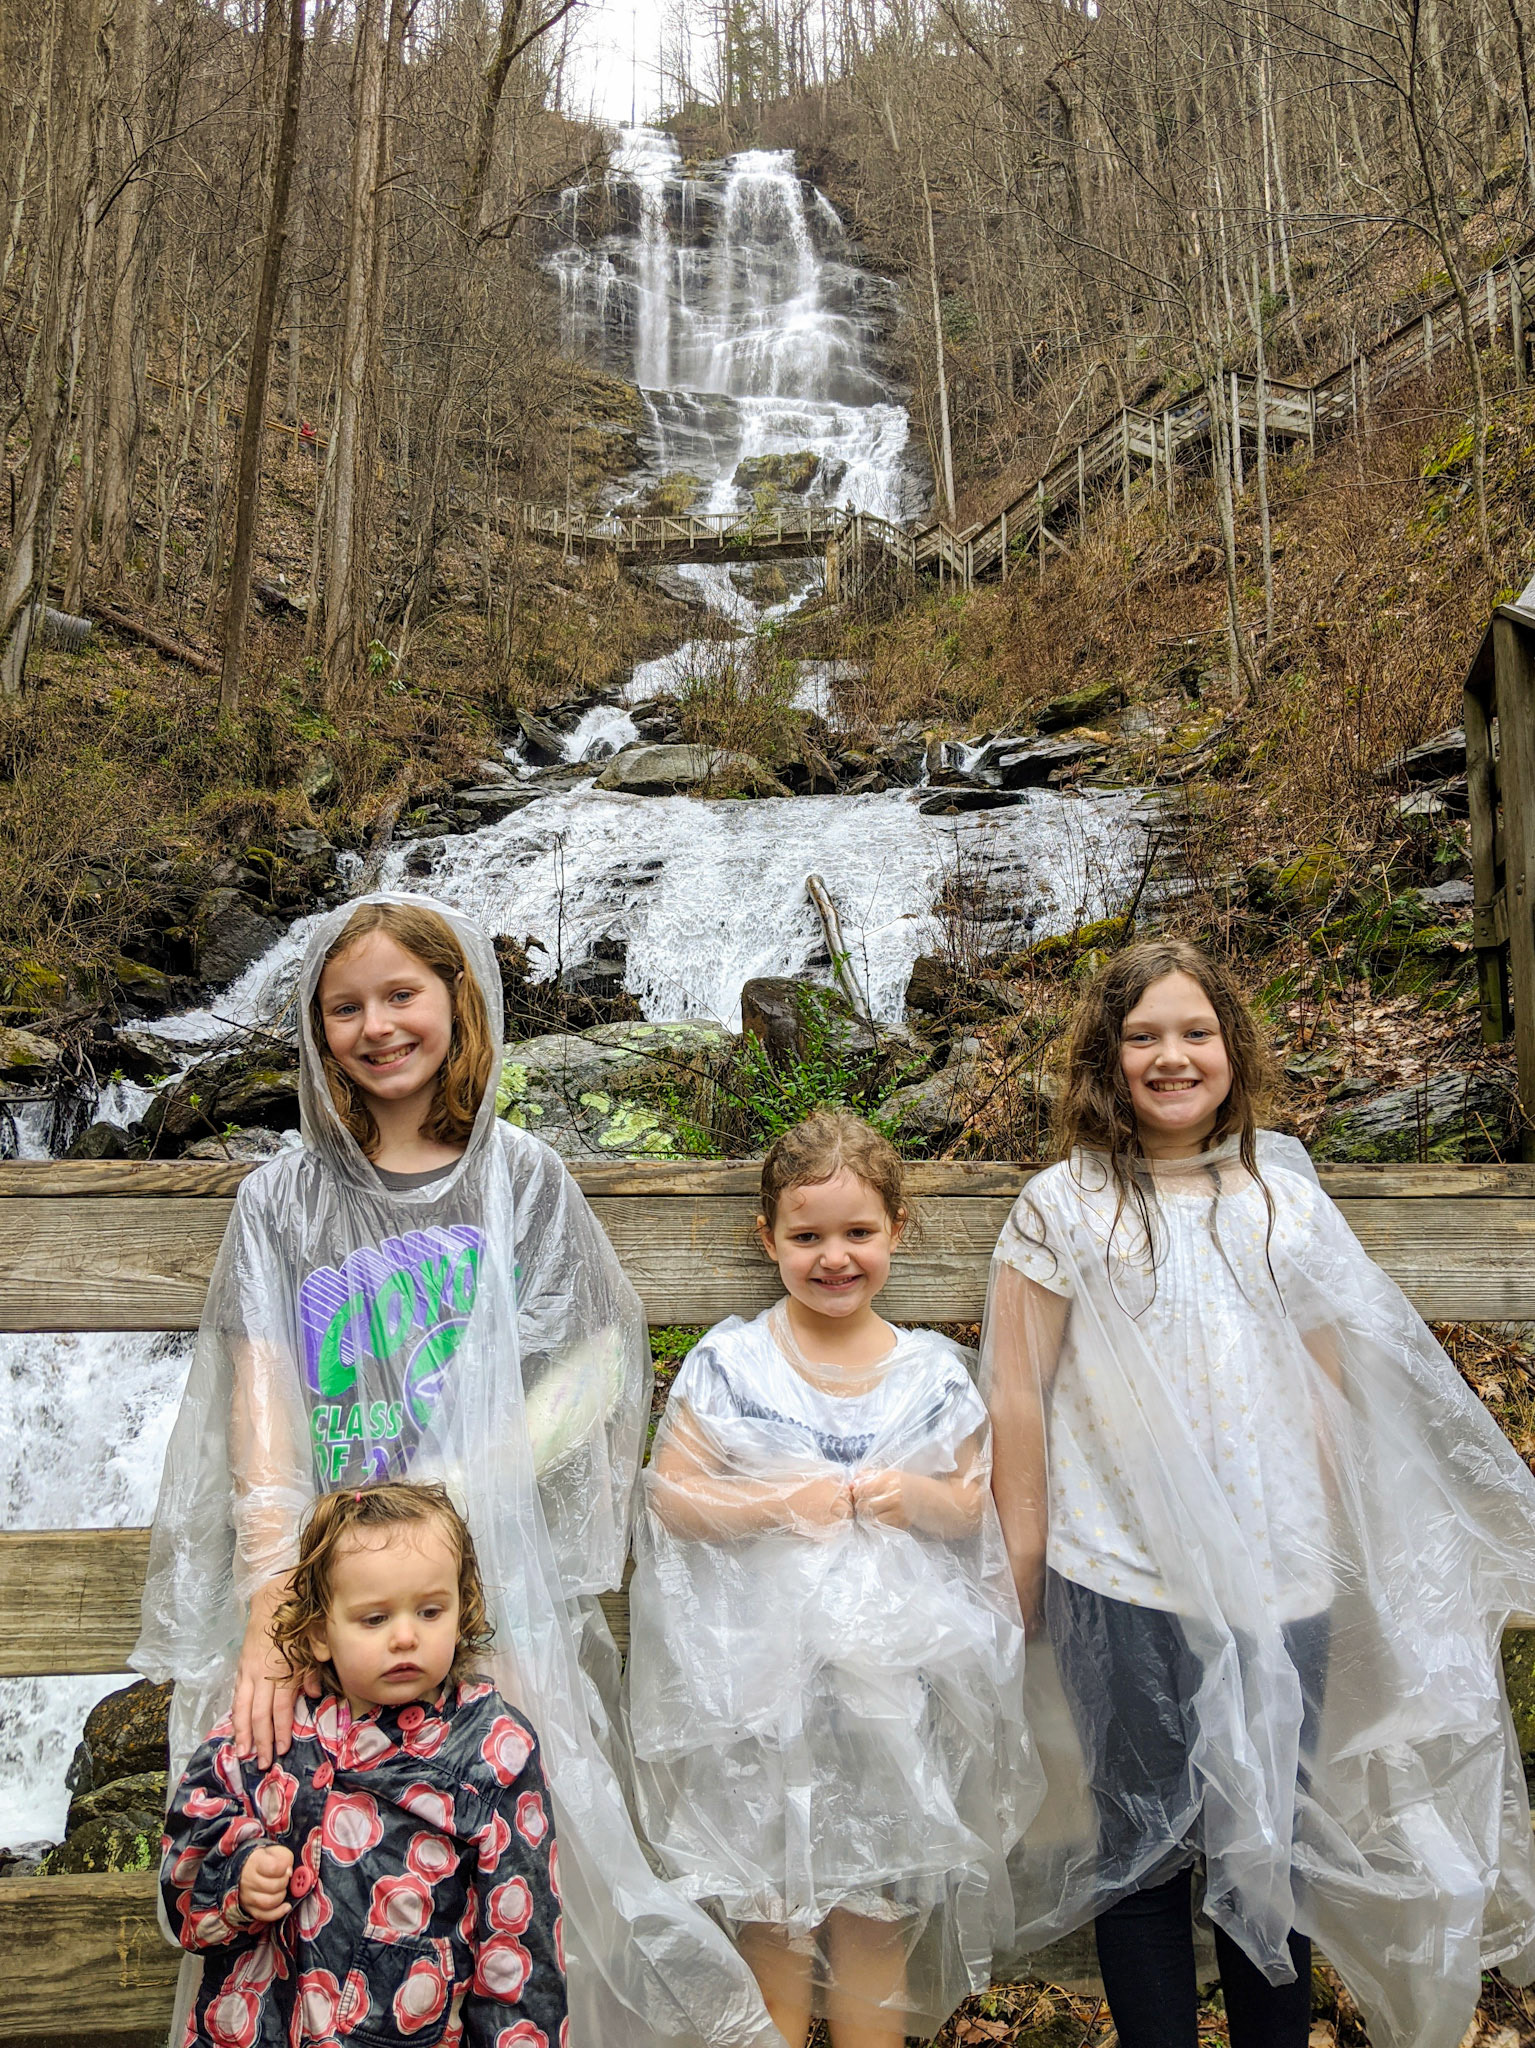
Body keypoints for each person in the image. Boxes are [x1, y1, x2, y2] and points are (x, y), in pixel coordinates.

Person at [136, 892, 778, 2048]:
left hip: (472, 1591)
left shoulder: (519, 1179)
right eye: (345, 1005)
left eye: (401, 994)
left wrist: (471, 1483)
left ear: (456, 999)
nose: (376, 1025)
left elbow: (591, 1358)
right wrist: (271, 1602)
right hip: (331, 1601)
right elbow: (263, 1402)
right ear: (311, 1024)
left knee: (513, 1860)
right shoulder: (281, 1198)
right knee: (299, 1845)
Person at [982, 938, 1535, 2048]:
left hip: (1280, 1579)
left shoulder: (1283, 1202)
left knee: (1266, 1838)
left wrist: (1335, 1542)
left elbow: (1331, 1385)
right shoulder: (1060, 1205)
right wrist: (1025, 1557)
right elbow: (1016, 1393)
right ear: (1105, 1055)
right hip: (1116, 1571)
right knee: (1137, 1843)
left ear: (1231, 1048)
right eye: (1142, 1035)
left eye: (1194, 1032)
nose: (1170, 1056)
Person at [628, 1109, 1038, 2048]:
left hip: (890, 1706)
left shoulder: (931, 1375)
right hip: (759, 1705)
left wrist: (911, 1495)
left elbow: (973, 1505)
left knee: (875, 1917)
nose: (833, 1257)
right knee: (770, 1919)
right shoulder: (730, 1366)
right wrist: (774, 1505)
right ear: (767, 1238)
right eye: (807, 1236)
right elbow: (673, 1498)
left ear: (897, 1228)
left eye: (857, 1233)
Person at [161, 1481, 566, 2047]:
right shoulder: (266, 1732)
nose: (405, 1636)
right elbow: (183, 1880)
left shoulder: (494, 1751)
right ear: (321, 1632)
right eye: (374, 1619)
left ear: (462, 1606)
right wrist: (240, 1877)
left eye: (430, 1610)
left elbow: (521, 1950)